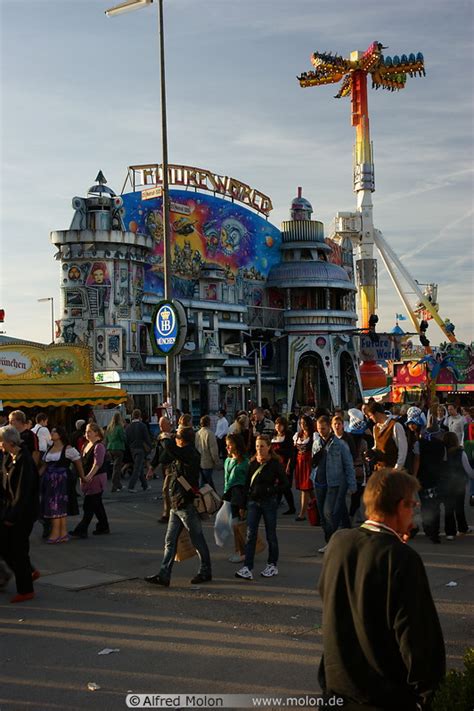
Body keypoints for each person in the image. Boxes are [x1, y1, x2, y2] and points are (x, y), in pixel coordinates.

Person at [318, 468, 446, 711]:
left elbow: (333, 599)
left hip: (336, 691)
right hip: (382, 697)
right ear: (400, 507)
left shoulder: (338, 542)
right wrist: (427, 698)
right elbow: (418, 639)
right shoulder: (402, 559)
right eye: (412, 505)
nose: (414, 513)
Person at [144, 427, 212, 587]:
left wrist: (166, 437)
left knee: (197, 539)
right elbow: (164, 456)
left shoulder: (190, 454)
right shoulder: (179, 452)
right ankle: (164, 574)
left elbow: (169, 447)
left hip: (186, 503)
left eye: (177, 437)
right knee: (170, 540)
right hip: (176, 502)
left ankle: (205, 571)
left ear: (182, 440)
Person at [235, 434, 288, 580]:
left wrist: (271, 490)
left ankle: (272, 564)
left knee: (271, 534)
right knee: (250, 534)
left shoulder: (275, 464)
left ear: (269, 447)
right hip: (253, 502)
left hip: (269, 503)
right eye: (257, 446)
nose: (259, 449)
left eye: (262, 446)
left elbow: (285, 484)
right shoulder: (252, 463)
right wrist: (242, 505)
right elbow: (247, 484)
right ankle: (247, 567)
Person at [0, 426, 39, 603]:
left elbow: (22, 493)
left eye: (1, 442)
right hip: (10, 509)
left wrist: (11, 517)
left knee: (18, 550)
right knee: (6, 547)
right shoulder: (9, 457)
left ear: (9, 442)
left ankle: (26, 589)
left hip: (23, 513)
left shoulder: (25, 460)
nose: (0, 446)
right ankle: (29, 572)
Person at [312, 416, 356, 554]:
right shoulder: (316, 443)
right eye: (319, 429)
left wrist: (352, 485)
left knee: (328, 512)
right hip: (319, 483)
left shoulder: (340, 444)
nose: (321, 431)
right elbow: (314, 463)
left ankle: (332, 542)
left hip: (334, 483)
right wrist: (311, 478)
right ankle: (332, 540)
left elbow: (349, 465)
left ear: (329, 427)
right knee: (323, 515)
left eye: (323, 428)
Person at [406, 408, 446, 544]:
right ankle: (435, 533)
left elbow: (417, 460)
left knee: (425, 505)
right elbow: (443, 460)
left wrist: (414, 476)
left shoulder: (419, 444)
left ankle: (428, 529)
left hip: (424, 477)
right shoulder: (441, 445)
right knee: (435, 505)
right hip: (437, 478)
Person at [39, 426, 84, 543]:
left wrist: (83, 477)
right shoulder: (50, 448)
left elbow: (78, 463)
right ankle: (62, 533)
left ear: (60, 434)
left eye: (54, 431)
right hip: (50, 480)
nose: (52, 433)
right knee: (55, 506)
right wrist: (36, 476)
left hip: (61, 480)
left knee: (58, 506)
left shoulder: (68, 449)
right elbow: (44, 466)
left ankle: (56, 533)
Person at [69, 423, 110, 538]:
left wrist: (88, 477)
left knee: (89, 505)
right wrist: (82, 476)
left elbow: (97, 464)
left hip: (97, 478)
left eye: (89, 431)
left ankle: (81, 529)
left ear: (96, 432)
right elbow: (83, 462)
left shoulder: (99, 446)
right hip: (88, 478)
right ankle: (103, 526)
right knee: (97, 505)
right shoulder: (86, 445)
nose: (86, 434)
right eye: (86, 431)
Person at [442, 431, 473, 540]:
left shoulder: (442, 452)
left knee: (448, 508)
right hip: (458, 483)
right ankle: (462, 528)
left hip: (445, 483)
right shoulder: (461, 453)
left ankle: (450, 532)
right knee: (459, 507)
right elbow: (468, 469)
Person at [223, 433, 249, 563]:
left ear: (237, 445)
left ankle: (242, 552)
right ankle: (239, 550)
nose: (227, 447)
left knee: (237, 526)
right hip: (229, 496)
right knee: (234, 526)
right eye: (226, 444)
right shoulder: (228, 460)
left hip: (239, 499)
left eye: (230, 444)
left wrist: (243, 505)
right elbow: (226, 480)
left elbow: (246, 484)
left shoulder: (244, 462)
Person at [366, 402, 408, 470]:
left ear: (377, 413)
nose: (370, 418)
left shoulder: (395, 426)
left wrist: (397, 468)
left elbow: (403, 450)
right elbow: (377, 446)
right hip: (379, 469)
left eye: (370, 415)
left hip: (392, 469)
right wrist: (371, 452)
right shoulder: (375, 428)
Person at [147, 416, 174, 523]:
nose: (161, 427)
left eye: (163, 425)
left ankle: (167, 514)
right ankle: (170, 513)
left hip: (173, 467)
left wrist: (166, 438)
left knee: (166, 489)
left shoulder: (172, 437)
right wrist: (151, 468)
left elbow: (170, 450)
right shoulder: (161, 437)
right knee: (168, 491)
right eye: (159, 425)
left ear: (169, 425)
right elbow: (158, 454)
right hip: (165, 467)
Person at [345, 408, 369, 524]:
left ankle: (349, 518)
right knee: (357, 497)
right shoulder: (364, 442)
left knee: (348, 497)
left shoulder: (345, 441)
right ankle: (351, 516)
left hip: (347, 470)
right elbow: (366, 460)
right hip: (360, 471)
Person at [272, 416, 295, 515]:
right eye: (276, 424)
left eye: (280, 424)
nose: (278, 427)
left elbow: (291, 452)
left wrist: (289, 466)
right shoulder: (273, 435)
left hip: (285, 463)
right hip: (275, 464)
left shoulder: (289, 435)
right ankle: (275, 505)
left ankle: (291, 507)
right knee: (278, 485)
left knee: (285, 486)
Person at [292, 415, 314, 520]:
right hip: (300, 462)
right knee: (307, 488)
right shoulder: (298, 435)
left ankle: (302, 513)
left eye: (304, 423)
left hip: (308, 462)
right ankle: (317, 507)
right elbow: (294, 451)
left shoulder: (314, 435)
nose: (303, 425)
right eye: (301, 423)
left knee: (305, 488)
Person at [125, 408, 152, 492]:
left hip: (132, 448)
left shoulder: (128, 427)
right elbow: (146, 437)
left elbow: (127, 439)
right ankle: (131, 486)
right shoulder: (142, 425)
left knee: (138, 467)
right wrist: (149, 447)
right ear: (139, 416)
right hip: (140, 448)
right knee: (137, 468)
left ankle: (145, 485)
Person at [195, 415, 220, 489]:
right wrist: (217, 462)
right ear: (209, 423)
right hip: (207, 461)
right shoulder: (210, 434)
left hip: (200, 461)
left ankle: (215, 498)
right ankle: (203, 498)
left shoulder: (197, 433)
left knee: (207, 481)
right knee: (205, 484)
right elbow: (213, 450)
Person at [105, 412, 127, 492]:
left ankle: (118, 485)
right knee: (117, 468)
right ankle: (115, 485)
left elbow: (106, 438)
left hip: (110, 448)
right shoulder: (119, 428)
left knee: (115, 465)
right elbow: (123, 438)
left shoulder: (109, 427)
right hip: (118, 448)